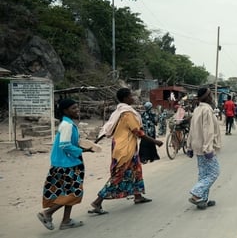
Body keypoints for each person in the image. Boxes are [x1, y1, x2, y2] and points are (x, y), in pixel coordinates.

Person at [89, 88, 163, 215]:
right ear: (124, 98)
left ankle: (138, 196)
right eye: (130, 96)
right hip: (125, 148)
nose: (133, 98)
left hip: (123, 145)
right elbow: (138, 132)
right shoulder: (127, 113)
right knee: (119, 175)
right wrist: (155, 142)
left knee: (136, 170)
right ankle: (97, 202)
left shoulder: (119, 111)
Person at [37, 99, 89, 230]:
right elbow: (64, 145)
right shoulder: (67, 125)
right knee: (74, 193)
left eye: (77, 107)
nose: (77, 110)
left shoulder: (68, 123)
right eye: (73, 108)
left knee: (68, 192)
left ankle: (66, 221)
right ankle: (47, 214)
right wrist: (80, 150)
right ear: (65, 110)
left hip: (65, 162)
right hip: (67, 164)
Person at [187, 86, 222, 209]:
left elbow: (192, 130)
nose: (212, 97)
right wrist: (208, 148)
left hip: (197, 145)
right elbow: (208, 131)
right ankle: (196, 194)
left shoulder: (198, 109)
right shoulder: (206, 110)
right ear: (206, 97)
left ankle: (203, 199)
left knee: (203, 174)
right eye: (211, 94)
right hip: (205, 146)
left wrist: (189, 146)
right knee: (214, 172)